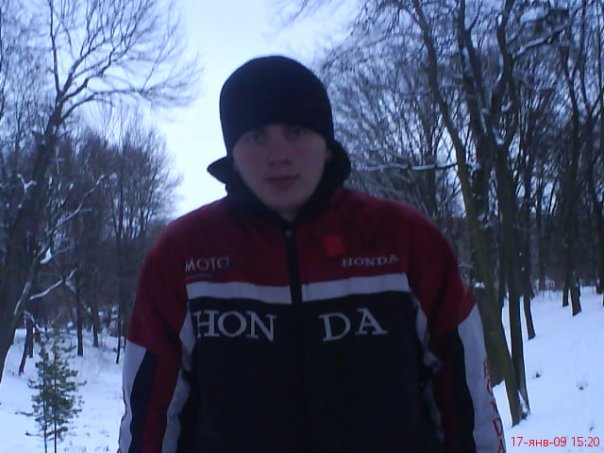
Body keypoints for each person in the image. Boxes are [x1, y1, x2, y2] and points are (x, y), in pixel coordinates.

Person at [118, 55, 506, 453]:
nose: (278, 154)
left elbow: (465, 396)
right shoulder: (183, 254)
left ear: (327, 145)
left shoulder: (404, 240)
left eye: (296, 131)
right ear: (232, 151)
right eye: (256, 136)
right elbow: (150, 416)